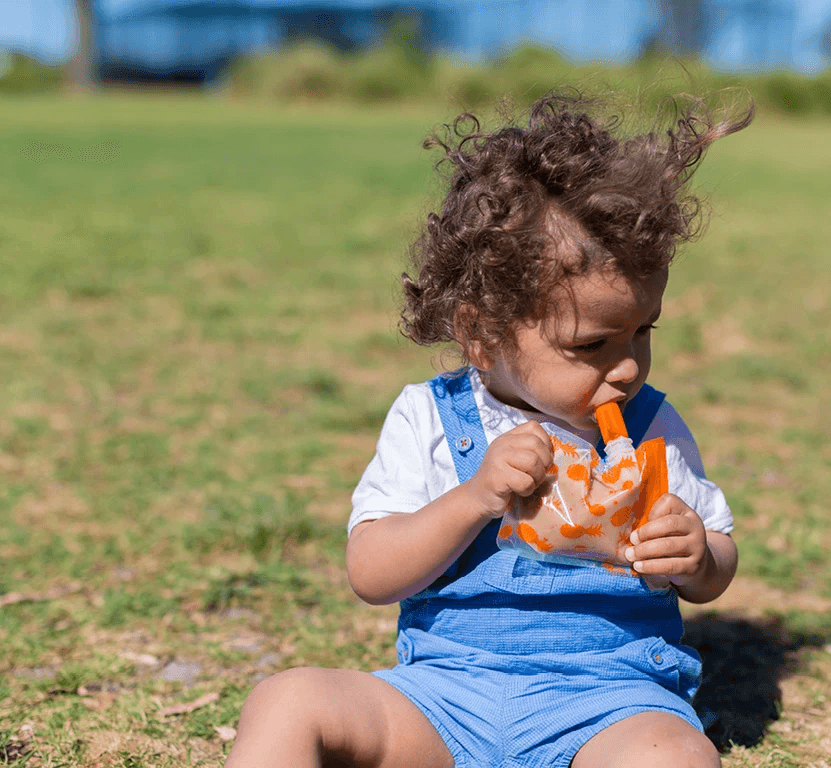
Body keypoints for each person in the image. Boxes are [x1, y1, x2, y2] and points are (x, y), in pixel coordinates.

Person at [225, 92, 752, 768]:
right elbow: (371, 571)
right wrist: (473, 498)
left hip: (610, 706)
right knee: (286, 701)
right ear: (483, 334)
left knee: (677, 756)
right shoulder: (431, 417)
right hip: (443, 701)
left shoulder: (653, 426)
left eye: (643, 332)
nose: (626, 368)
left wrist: (699, 557)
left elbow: (717, 563)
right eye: (591, 344)